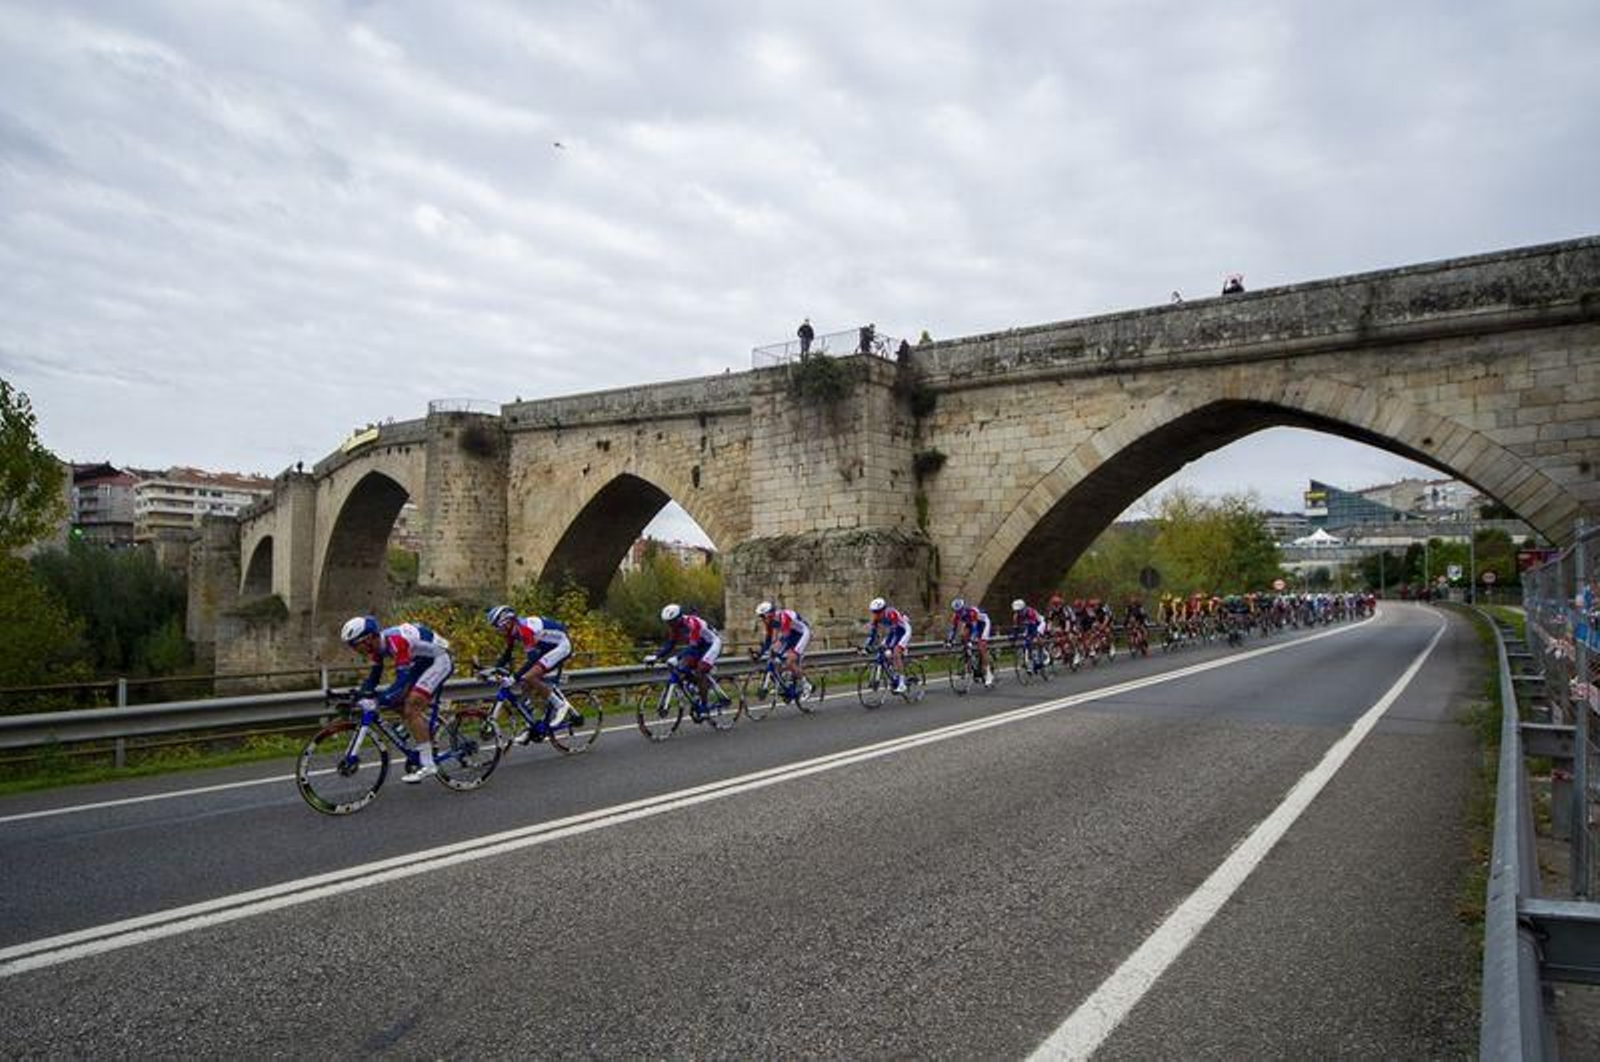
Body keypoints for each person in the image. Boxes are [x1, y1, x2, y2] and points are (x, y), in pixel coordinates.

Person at [340, 615, 454, 783]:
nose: (355, 650)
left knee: (411, 705)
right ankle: (426, 728)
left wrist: (378, 700)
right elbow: (373, 678)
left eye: (355, 645)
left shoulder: (396, 641)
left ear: (369, 638)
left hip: (440, 660)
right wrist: (359, 694)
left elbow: (401, 682)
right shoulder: (376, 648)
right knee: (396, 702)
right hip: (423, 660)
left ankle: (429, 764)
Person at [486, 604, 573, 744]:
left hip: (561, 646)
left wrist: (514, 677)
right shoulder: (512, 630)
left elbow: (532, 659)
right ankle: (530, 726)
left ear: (508, 622)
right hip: (547, 647)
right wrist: (492, 669)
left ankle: (561, 706)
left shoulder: (524, 629)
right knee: (526, 684)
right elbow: (507, 655)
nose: (498, 631)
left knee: (529, 676)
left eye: (499, 627)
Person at [649, 603, 727, 719]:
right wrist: (656, 656)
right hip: (699, 646)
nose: (670, 625)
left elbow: (692, 648)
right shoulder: (675, 627)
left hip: (712, 644)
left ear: (679, 618)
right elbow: (670, 644)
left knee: (700, 670)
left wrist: (677, 657)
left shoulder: (693, 623)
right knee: (681, 669)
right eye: (667, 623)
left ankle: (704, 706)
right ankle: (700, 687)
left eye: (671, 622)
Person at [754, 601, 812, 698]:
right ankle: (784, 685)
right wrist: (761, 653)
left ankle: (806, 685)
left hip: (803, 633)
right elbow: (768, 640)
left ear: (769, 614)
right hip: (792, 634)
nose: (762, 620)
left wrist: (776, 650)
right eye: (761, 617)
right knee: (776, 660)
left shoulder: (784, 616)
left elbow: (785, 637)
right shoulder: (770, 622)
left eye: (763, 617)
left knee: (790, 660)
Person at [865, 596, 913, 693]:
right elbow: (872, 634)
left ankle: (902, 683)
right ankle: (890, 674)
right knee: (881, 652)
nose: (876, 615)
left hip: (903, 630)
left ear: (883, 610)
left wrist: (890, 647)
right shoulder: (875, 618)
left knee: (895, 652)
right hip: (892, 632)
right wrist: (867, 645)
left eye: (878, 612)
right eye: (874, 612)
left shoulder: (891, 613)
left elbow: (896, 632)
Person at [945, 597, 994, 687]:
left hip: (983, 623)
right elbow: (953, 628)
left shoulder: (971, 612)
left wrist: (971, 640)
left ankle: (988, 674)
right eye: (956, 611)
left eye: (960, 611)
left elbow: (975, 629)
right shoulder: (956, 615)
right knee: (963, 636)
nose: (958, 613)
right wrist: (949, 641)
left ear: (963, 608)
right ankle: (968, 659)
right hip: (970, 623)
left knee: (981, 646)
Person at [1010, 598, 1045, 667]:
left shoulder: (1030, 612)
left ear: (1023, 608)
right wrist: (1014, 637)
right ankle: (1029, 659)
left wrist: (1033, 636)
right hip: (1030, 626)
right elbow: (1015, 628)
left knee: (1035, 638)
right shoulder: (1016, 616)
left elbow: (1034, 627)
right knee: (1026, 642)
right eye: (1016, 611)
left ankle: (1041, 655)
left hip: (1039, 623)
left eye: (1019, 611)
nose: (1017, 612)